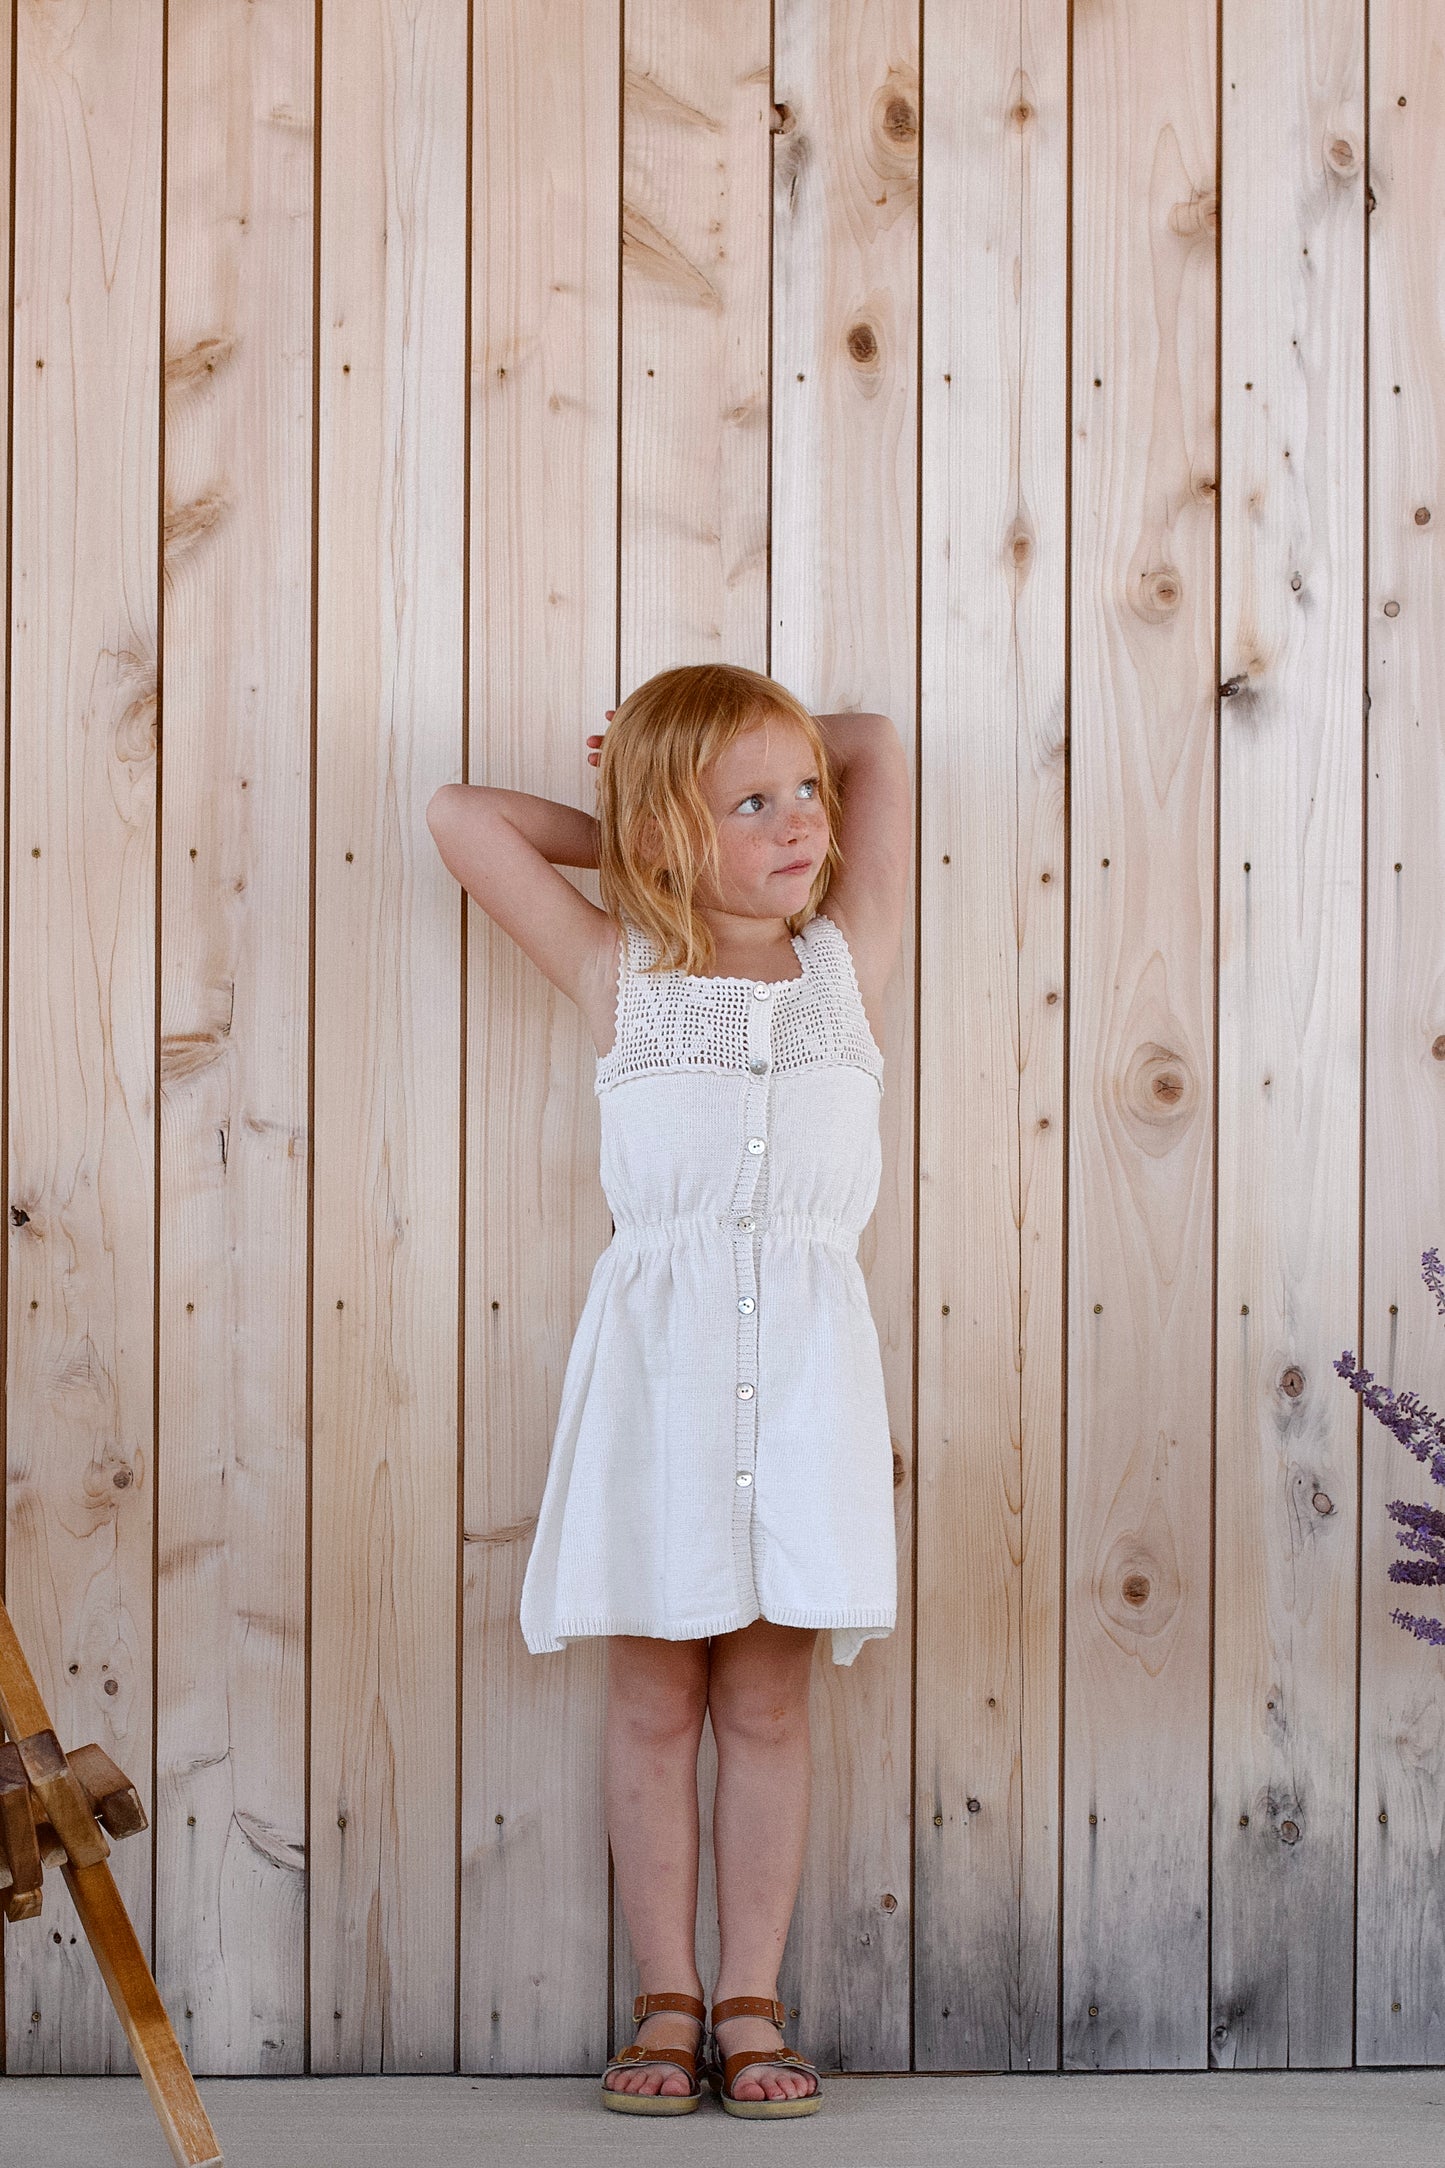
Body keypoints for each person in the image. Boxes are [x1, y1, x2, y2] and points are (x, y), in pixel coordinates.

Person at [426, 663, 909, 2119]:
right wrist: (633, 819)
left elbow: (876, 744)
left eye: (799, 797)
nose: (795, 823)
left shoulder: (846, 958)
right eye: (747, 806)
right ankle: (664, 1997)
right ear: (663, 837)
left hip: (808, 1396)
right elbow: (462, 817)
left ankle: (751, 2000)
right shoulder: (617, 971)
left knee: (765, 1706)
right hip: (662, 1397)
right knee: (650, 1705)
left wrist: (764, 764)